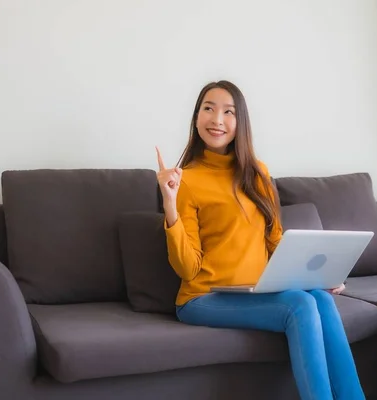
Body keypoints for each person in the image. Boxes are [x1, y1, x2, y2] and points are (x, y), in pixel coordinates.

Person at [155, 80, 365, 400]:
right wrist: (169, 205)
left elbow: (275, 241)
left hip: (254, 292)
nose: (217, 120)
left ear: (240, 123)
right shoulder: (187, 180)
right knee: (299, 305)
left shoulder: (258, 173)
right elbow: (187, 268)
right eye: (208, 109)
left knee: (319, 298)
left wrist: (317, 278)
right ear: (196, 118)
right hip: (201, 299)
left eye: (229, 112)